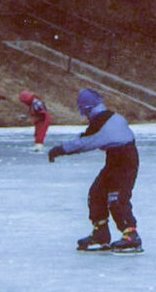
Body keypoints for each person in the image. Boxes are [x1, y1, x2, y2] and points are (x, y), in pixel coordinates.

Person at [48, 88, 142, 253]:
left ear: (86, 109)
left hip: (126, 160)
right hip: (115, 158)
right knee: (97, 192)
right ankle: (101, 234)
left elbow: (85, 142)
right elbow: (88, 136)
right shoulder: (108, 116)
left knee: (117, 198)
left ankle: (131, 236)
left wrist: (61, 149)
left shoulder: (101, 121)